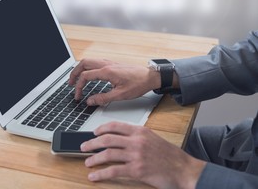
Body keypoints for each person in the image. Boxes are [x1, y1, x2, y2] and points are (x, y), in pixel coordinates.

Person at [68, 31, 258, 188]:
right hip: (248, 145)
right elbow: (253, 54)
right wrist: (159, 76)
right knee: (127, 153)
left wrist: (184, 169)